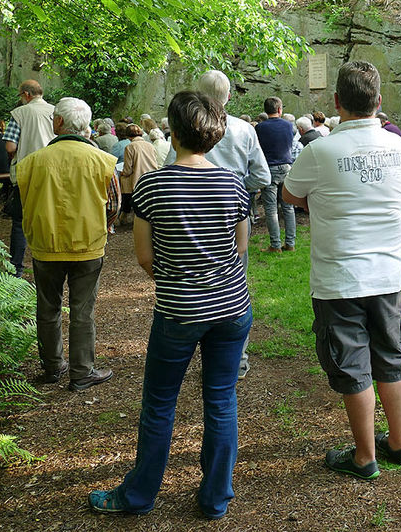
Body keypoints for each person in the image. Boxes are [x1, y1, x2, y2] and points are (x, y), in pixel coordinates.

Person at [88, 91, 252, 518]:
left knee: (160, 401)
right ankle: (216, 498)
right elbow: (238, 249)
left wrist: (175, 281)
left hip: (180, 310)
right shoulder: (233, 182)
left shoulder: (154, 185)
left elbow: (144, 257)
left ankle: (139, 496)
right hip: (232, 306)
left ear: (174, 132)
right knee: (221, 398)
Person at [283, 61, 401, 480]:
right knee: (390, 359)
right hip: (388, 272)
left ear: (337, 103)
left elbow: (289, 194)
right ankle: (398, 443)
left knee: (353, 364)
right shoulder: (399, 147)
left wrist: (321, 202)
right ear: (378, 102)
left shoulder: (320, 150)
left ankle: (364, 456)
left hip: (340, 278)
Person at [165, 70, 270, 380]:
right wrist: (239, 187)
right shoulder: (244, 130)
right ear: (228, 97)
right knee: (236, 278)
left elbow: (170, 167)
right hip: (233, 215)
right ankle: (234, 360)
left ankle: (187, 346)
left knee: (190, 276)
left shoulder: (186, 129)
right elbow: (262, 176)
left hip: (190, 213)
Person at [16, 97, 119, 391]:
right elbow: (114, 204)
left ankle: (51, 367)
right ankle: (82, 371)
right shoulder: (101, 160)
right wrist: (101, 226)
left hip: (45, 246)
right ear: (85, 125)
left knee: (47, 307)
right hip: (87, 245)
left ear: (58, 123)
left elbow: (24, 203)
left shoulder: (31, 162)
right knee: (82, 310)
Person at [4, 80, 55, 277]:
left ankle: (15, 268)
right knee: (50, 218)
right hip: (53, 171)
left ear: (26, 94)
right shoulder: (56, 111)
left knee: (20, 222)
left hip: (27, 172)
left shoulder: (19, 114)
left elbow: (10, 146)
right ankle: (49, 266)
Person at [255, 97, 296, 252]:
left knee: (271, 209)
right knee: (288, 207)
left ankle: (275, 245)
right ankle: (290, 243)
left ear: (266, 110)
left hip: (269, 168)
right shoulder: (289, 126)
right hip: (286, 167)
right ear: (279, 109)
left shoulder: (260, 128)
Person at [119, 124, 159, 225]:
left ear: (128, 135)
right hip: (152, 178)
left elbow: (127, 170)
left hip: (137, 180)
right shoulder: (150, 145)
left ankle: (125, 212)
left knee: (124, 180)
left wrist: (122, 173)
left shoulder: (130, 147)